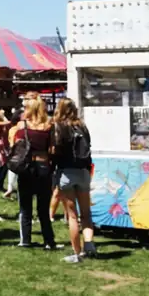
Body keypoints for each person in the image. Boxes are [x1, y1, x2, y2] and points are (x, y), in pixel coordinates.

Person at [52, 98, 97, 263]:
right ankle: (89, 244)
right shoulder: (82, 126)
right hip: (83, 171)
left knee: (72, 216)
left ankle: (77, 253)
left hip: (66, 172)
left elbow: (55, 150)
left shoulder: (58, 127)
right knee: (86, 213)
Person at [13, 94, 58, 249]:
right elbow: (52, 148)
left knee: (25, 207)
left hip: (26, 168)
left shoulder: (21, 126)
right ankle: (48, 241)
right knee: (43, 208)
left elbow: (17, 146)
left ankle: (25, 240)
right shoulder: (48, 125)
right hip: (44, 166)